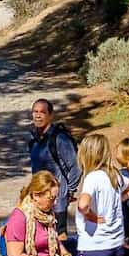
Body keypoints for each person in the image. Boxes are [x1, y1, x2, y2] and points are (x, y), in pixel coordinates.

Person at [28, 97, 82, 237]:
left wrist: (68, 192)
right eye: (35, 112)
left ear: (50, 115)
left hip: (57, 206)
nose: (38, 115)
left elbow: (76, 167)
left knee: (59, 242)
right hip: (38, 204)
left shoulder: (60, 138)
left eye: (42, 112)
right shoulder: (33, 140)